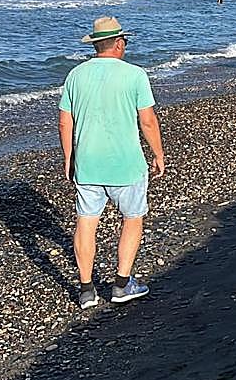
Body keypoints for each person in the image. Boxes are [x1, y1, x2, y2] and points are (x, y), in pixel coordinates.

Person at [60, 16, 165, 308]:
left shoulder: (75, 76)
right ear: (119, 44)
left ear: (96, 45)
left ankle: (86, 289)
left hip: (88, 163)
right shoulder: (135, 75)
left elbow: (65, 123)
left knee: (86, 222)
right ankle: (121, 284)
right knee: (132, 218)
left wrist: (69, 158)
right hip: (126, 164)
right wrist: (158, 154)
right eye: (125, 41)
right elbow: (148, 121)